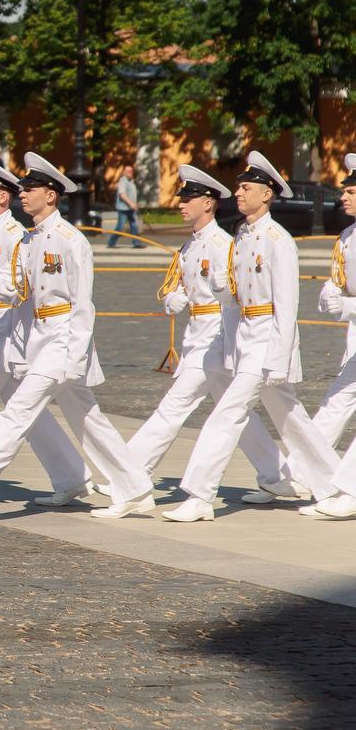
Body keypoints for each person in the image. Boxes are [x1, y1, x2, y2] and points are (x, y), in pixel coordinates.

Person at [0, 153, 154, 518]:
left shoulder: (71, 240)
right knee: (87, 418)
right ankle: (125, 486)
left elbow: (83, 305)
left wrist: (74, 354)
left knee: (17, 413)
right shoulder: (29, 240)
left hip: (63, 338)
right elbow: (15, 290)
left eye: (31, 188)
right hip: (38, 336)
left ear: (51, 195)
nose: (23, 194)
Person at [169, 151, 343, 522]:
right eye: (239, 188)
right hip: (245, 337)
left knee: (227, 414)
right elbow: (236, 298)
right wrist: (222, 292)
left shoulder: (277, 239)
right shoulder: (242, 236)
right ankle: (337, 486)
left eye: (246, 188)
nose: (239, 194)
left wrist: (279, 358)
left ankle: (199, 495)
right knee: (294, 420)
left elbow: (286, 304)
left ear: (267, 194)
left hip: (267, 340)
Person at [124, 165, 295, 500]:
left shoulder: (222, 242)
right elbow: (187, 286)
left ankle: (130, 472)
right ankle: (276, 475)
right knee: (236, 412)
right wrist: (176, 296)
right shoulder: (192, 245)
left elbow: (237, 298)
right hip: (202, 335)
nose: (181, 204)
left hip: (218, 337)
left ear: (208, 203)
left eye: (189, 198)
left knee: (186, 405)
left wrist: (236, 345)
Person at [0, 154, 92, 507]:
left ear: (2, 197)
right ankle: (72, 476)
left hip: (11, 335)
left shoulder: (19, 236)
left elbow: (22, 292)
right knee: (29, 414)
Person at [310, 154, 356, 448]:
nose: (342, 197)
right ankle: (300, 472)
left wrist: (348, 306)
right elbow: (339, 278)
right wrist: (329, 292)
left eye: (350, 192)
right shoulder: (347, 236)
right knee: (335, 402)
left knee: (337, 400)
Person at [107, 163, 144, 249]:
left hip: (130, 209)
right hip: (123, 208)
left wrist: (134, 204)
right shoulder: (123, 181)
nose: (130, 172)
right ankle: (111, 243)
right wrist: (131, 204)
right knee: (120, 227)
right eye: (128, 171)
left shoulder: (130, 181)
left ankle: (136, 243)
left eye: (131, 171)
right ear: (124, 172)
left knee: (134, 226)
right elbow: (122, 195)